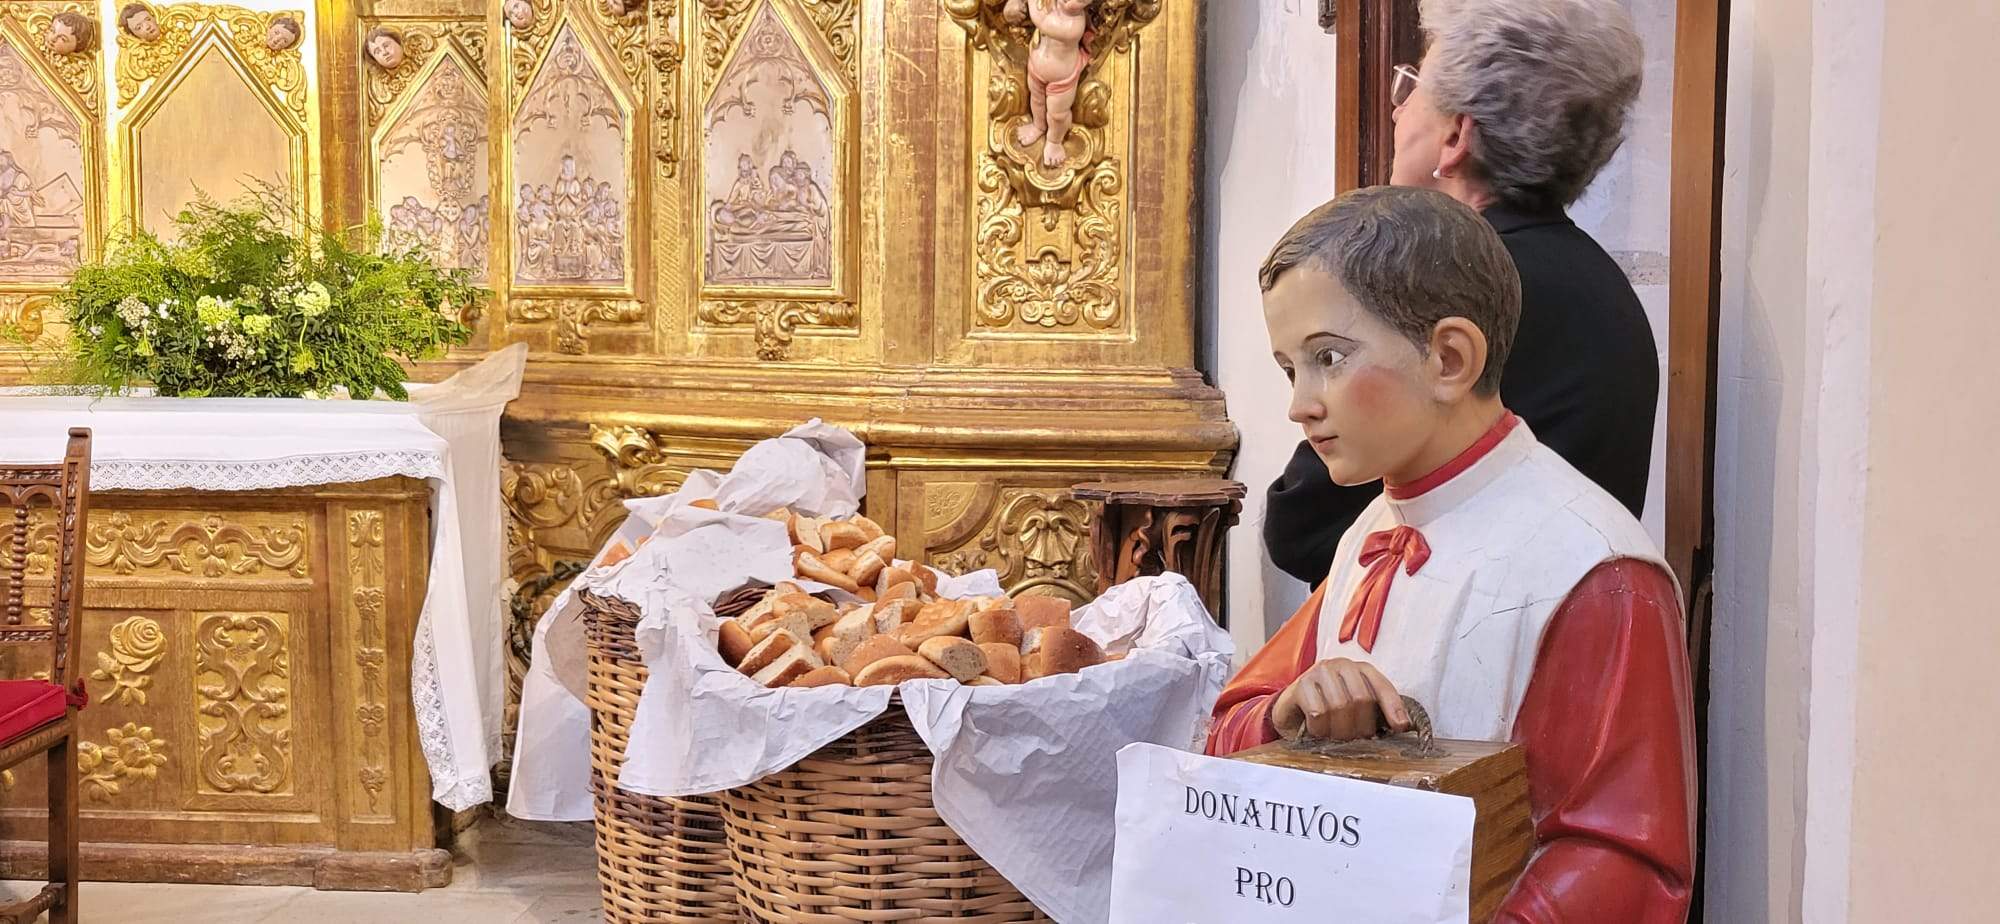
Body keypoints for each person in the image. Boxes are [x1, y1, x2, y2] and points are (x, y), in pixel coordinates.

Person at [1209, 187, 1694, 921]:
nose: (1299, 403)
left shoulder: (1592, 570)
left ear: (1449, 358)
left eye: (1328, 358)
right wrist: (1290, 712)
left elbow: (1620, 859)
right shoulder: (1366, 536)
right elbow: (1235, 723)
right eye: (1289, 369)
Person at [1264, 0, 1658, 588]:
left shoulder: (1460, 289)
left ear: (1456, 137)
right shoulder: (1599, 284)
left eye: (1412, 85)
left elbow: (1304, 525)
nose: (1397, 109)